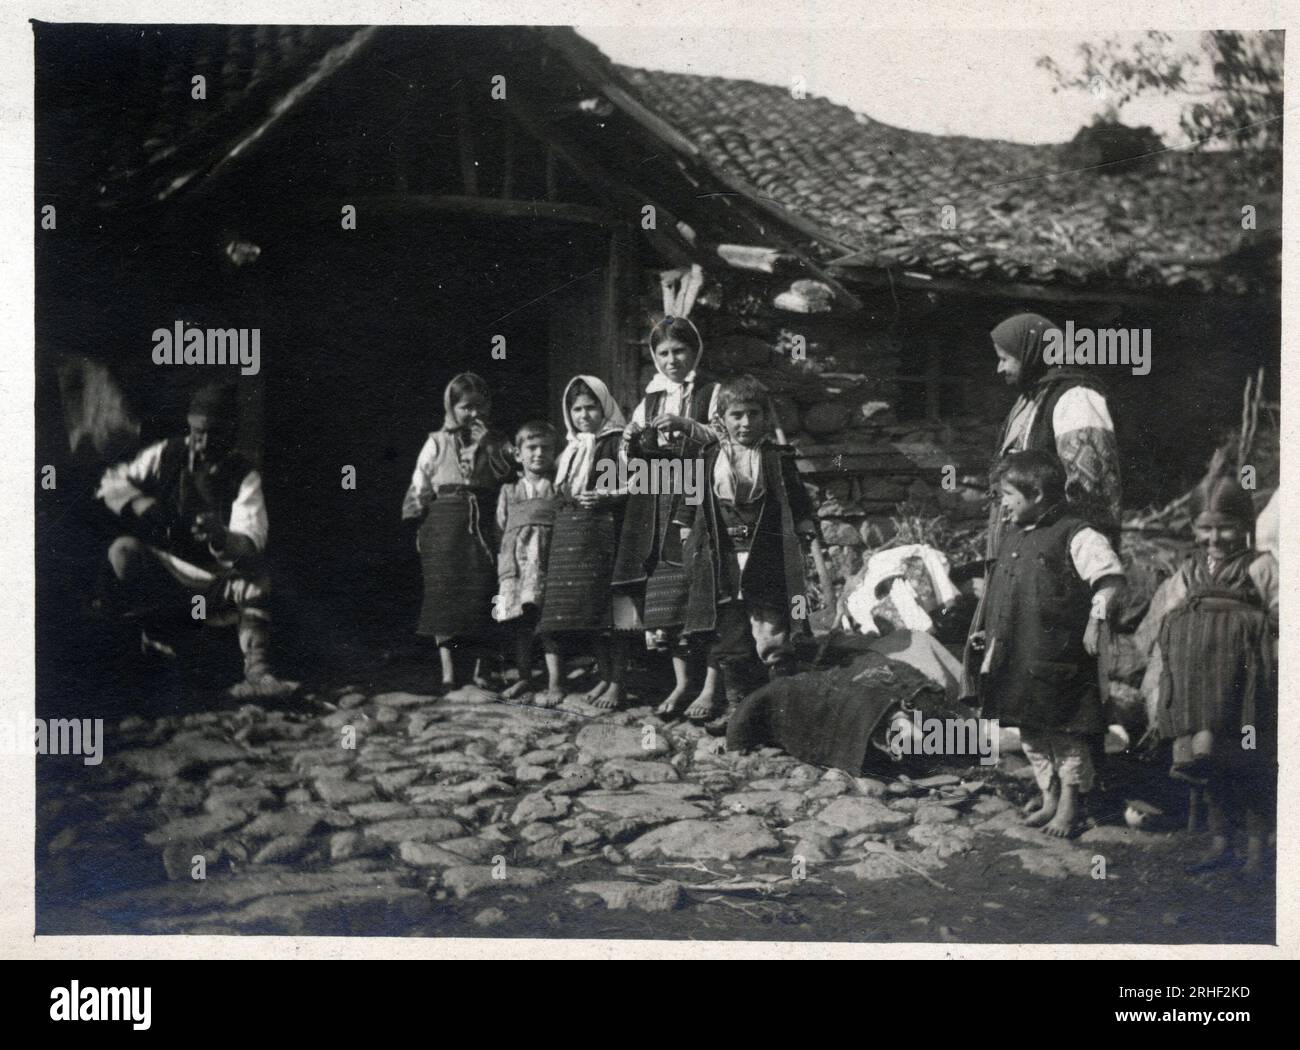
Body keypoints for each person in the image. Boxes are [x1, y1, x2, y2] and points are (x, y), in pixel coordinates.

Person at [97, 382, 296, 698]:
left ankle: (258, 671)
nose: (200, 443)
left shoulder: (244, 475)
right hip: (169, 577)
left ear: (229, 432)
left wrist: (221, 536)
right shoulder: (166, 453)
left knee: (257, 579)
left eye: (211, 434)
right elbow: (111, 482)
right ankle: (152, 646)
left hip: (215, 584)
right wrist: (139, 503)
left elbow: (250, 545)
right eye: (195, 432)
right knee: (122, 551)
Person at [972, 450, 1125, 838]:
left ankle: (1071, 805)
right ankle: (1050, 796)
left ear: (1036, 493)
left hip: (1059, 654)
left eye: (1008, 494)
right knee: (1030, 730)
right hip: (1018, 653)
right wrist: (986, 630)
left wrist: (1096, 620)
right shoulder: (1013, 534)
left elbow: (1109, 580)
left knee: (1066, 731)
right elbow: (1003, 589)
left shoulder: (1077, 534)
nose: (1003, 503)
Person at [1151, 474, 1277, 874]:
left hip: (1247, 692)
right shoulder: (1188, 572)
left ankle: (1258, 848)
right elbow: (1169, 616)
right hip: (1200, 692)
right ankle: (1220, 842)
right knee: (1212, 768)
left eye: (1226, 526)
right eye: (1205, 528)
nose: (1215, 537)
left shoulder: (1261, 568)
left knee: (1251, 763)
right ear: (1193, 529)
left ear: (1245, 525)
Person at [676, 375, 817, 722]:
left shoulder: (776, 457)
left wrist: (804, 524)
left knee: (770, 627)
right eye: (737, 415)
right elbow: (691, 499)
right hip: (721, 553)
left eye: (754, 414)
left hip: (764, 552)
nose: (745, 422)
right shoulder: (707, 455)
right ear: (721, 418)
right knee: (730, 627)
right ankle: (739, 708)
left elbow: (796, 497)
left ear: (765, 418)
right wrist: (684, 530)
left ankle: (782, 708)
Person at [612, 316, 721, 716]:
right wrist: (630, 441)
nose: (671, 360)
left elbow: (727, 437)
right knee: (667, 592)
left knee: (703, 589)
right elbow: (635, 454)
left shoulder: (712, 392)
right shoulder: (652, 398)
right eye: (663, 353)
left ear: (694, 351)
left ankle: (711, 686)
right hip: (661, 500)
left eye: (679, 351)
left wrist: (687, 426)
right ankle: (681, 685)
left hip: (702, 497)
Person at [402, 372, 514, 693]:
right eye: (466, 407)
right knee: (443, 593)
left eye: (480, 406)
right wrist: (418, 522)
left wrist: (489, 443)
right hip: (443, 521)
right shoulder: (435, 441)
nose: (474, 413)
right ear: (452, 408)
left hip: (482, 519)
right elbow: (420, 483)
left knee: (482, 589)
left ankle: (482, 668)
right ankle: (448, 672)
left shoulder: (496, 440)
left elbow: (509, 470)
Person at [537, 376, 632, 711]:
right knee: (588, 610)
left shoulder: (615, 442)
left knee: (612, 611)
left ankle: (618, 682)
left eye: (591, 407)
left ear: (604, 407)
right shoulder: (573, 449)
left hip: (606, 533)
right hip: (573, 534)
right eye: (576, 409)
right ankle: (605, 674)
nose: (583, 415)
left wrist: (607, 496)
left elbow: (639, 483)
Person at [492, 421, 563, 707]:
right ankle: (524, 676)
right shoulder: (510, 491)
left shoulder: (558, 487)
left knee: (548, 623)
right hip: (518, 566)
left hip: (547, 562)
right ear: (518, 454)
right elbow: (500, 528)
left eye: (545, 448)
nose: (538, 454)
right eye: (531, 448)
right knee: (521, 623)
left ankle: (556, 681)